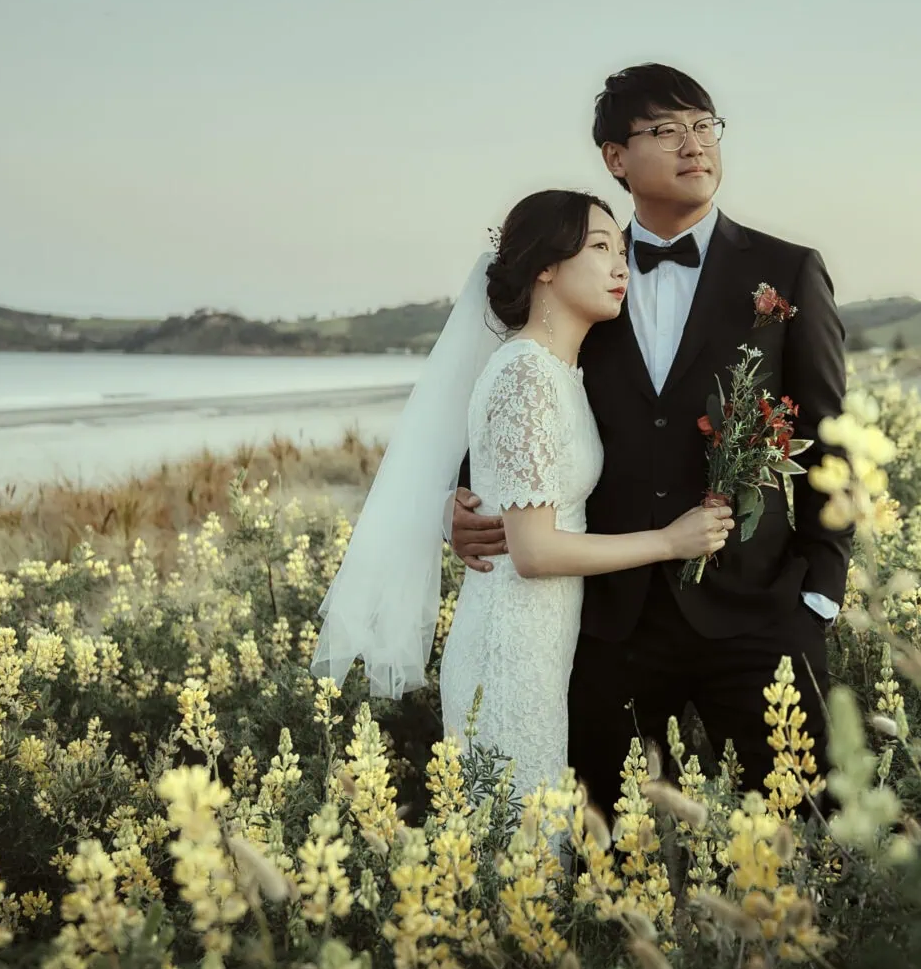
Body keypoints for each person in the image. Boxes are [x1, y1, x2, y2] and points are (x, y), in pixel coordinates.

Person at [450, 64, 850, 810]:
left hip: (760, 617)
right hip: (609, 624)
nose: (694, 144)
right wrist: (465, 497)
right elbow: (527, 389)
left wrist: (820, 593)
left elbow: (831, 441)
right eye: (667, 130)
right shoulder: (581, 277)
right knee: (608, 857)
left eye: (705, 125)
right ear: (615, 158)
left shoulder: (787, 271)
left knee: (815, 837)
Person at [311, 188, 733, 798]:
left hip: (542, 649)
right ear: (544, 265)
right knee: (518, 854)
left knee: (528, 857)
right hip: (508, 653)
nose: (621, 267)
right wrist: (670, 541)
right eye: (599, 248)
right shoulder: (526, 374)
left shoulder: (557, 371)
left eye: (622, 251)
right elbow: (533, 552)